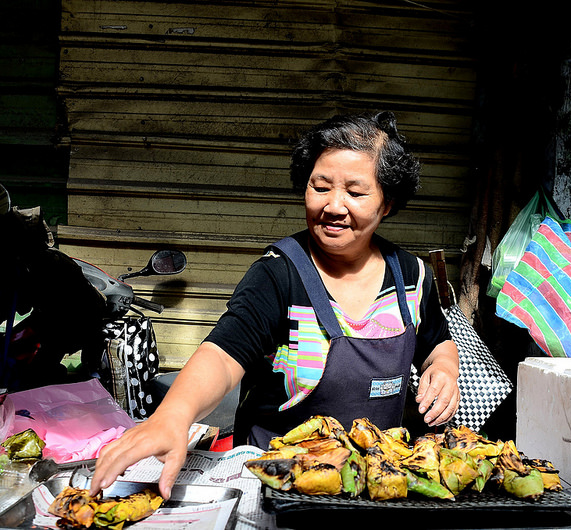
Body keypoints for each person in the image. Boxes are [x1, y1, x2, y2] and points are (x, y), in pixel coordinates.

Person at [89, 111, 460, 499]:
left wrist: (444, 368)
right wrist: (172, 417)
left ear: (387, 203)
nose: (334, 206)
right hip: (277, 486)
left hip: (374, 485)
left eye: (355, 192)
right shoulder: (279, 274)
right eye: (321, 187)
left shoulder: (411, 276)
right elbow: (223, 355)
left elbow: (436, 341)